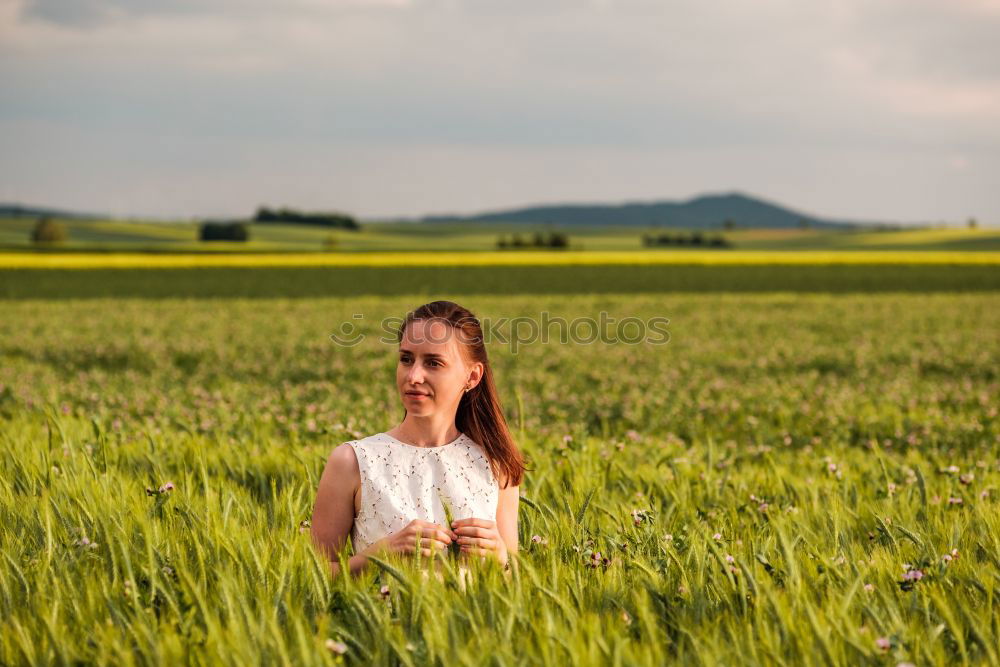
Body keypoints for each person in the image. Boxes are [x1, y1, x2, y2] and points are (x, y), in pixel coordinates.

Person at [310, 300, 527, 578]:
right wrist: (381, 555)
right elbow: (312, 576)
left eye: (433, 363)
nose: (413, 376)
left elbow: (516, 584)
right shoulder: (352, 461)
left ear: (472, 376)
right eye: (406, 359)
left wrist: (501, 559)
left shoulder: (497, 466)